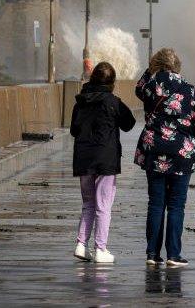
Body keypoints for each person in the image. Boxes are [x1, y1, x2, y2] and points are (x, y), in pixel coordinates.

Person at [134, 48, 195, 268]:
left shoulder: (149, 88)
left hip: (154, 150)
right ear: (178, 67)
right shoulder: (191, 91)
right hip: (181, 154)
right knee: (176, 205)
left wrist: (151, 70)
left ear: (155, 66)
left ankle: (152, 254)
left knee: (156, 204)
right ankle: (173, 256)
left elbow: (138, 87)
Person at [70, 61, 137, 263]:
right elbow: (129, 124)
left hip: (83, 159)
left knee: (88, 203)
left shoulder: (80, 102)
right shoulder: (113, 102)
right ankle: (101, 248)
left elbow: (74, 130)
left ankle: (81, 245)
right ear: (112, 83)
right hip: (105, 160)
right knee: (103, 205)